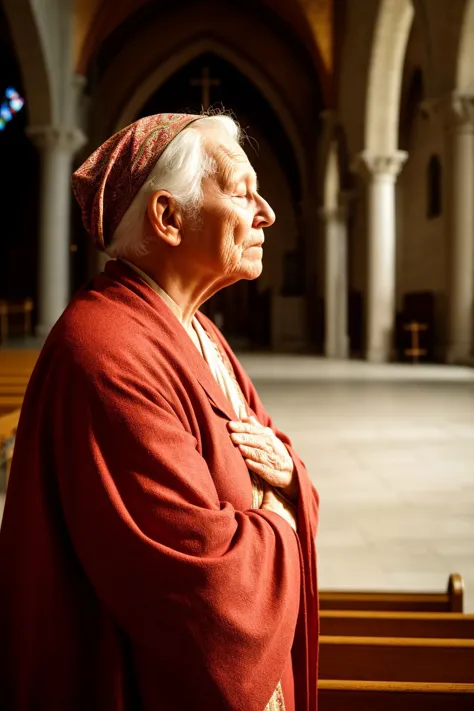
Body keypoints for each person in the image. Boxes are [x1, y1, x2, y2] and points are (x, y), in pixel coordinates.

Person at [0, 112, 319, 710]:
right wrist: (282, 510)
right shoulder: (106, 352)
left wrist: (288, 477)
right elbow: (206, 588)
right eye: (242, 191)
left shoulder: (195, 328)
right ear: (168, 218)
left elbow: (275, 451)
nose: (266, 212)